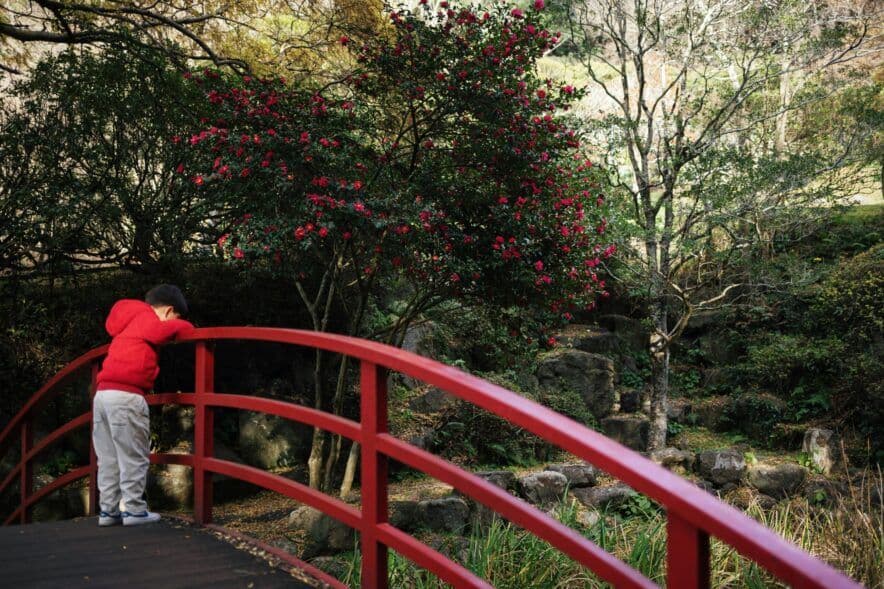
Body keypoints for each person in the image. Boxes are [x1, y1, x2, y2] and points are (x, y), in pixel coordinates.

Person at [92, 284, 195, 526]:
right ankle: (134, 510)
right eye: (174, 319)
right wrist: (186, 327)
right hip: (126, 396)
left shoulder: (128, 320)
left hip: (103, 394)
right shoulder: (146, 317)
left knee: (108, 458)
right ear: (169, 311)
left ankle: (108, 511)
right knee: (134, 455)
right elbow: (159, 333)